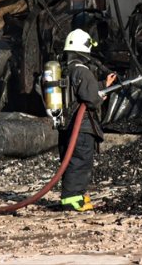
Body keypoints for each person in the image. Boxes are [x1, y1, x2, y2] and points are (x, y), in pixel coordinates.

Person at [58, 28, 116, 211]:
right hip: (81, 127)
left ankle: (75, 196)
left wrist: (103, 85)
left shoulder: (65, 70)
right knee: (80, 161)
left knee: (69, 161)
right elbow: (90, 99)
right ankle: (72, 200)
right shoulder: (83, 71)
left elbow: (79, 92)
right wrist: (100, 96)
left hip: (66, 126)